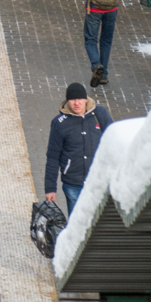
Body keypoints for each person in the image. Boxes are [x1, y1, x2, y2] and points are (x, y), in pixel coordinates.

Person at [44, 82, 112, 214]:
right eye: (72, 99)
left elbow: (114, 142)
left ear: (86, 99)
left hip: (98, 181)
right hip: (73, 184)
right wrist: (50, 188)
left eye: (80, 99)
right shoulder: (59, 123)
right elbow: (53, 157)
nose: (76, 103)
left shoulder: (100, 114)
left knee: (98, 221)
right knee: (76, 224)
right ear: (67, 101)